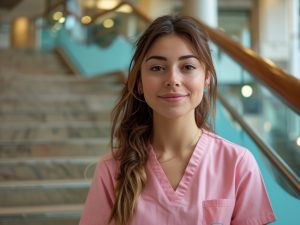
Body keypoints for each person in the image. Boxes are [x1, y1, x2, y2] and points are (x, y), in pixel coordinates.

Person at [79, 15, 276, 225]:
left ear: (207, 77)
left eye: (188, 67)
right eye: (157, 68)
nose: (172, 79)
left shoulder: (237, 163)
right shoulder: (112, 168)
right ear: (138, 82)